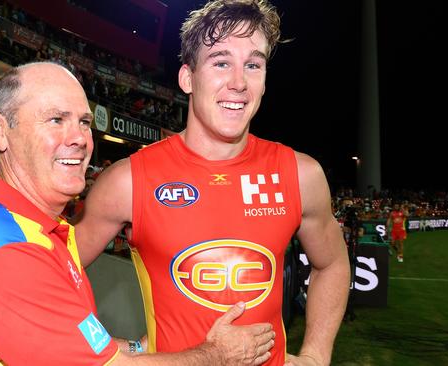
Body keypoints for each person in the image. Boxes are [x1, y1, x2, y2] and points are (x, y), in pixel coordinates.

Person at [0, 62, 275, 365]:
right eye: (56, 119)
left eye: (83, 121)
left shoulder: (33, 229)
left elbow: (76, 343)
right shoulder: (7, 253)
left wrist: (142, 348)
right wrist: (218, 355)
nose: (80, 138)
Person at [73, 1, 351, 365]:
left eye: (253, 64)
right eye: (221, 62)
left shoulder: (301, 175)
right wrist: (104, 347)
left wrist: (315, 356)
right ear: (187, 77)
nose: (238, 82)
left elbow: (332, 264)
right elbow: (52, 273)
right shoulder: (128, 181)